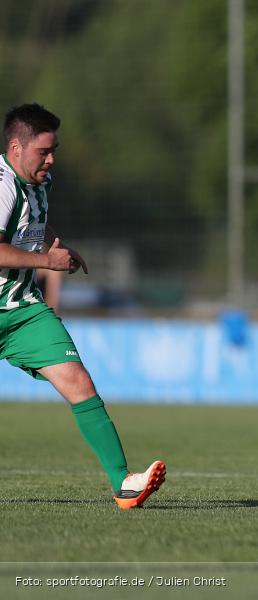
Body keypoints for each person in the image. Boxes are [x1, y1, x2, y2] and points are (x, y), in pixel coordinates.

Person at [1, 103, 164, 509]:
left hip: (22, 312)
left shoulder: (40, 181)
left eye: (54, 150)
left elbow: (31, 224)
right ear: (16, 148)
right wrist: (46, 261)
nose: (51, 159)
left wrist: (57, 246)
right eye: (43, 152)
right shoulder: (1, 187)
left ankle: (124, 483)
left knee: (79, 382)